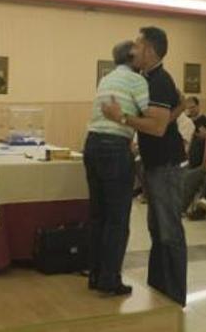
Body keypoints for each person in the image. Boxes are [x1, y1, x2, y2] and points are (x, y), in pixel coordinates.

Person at [101, 26, 188, 306]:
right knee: (157, 229)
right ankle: (159, 290)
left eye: (137, 46)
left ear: (150, 50)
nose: (132, 50)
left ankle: (174, 297)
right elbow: (181, 102)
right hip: (155, 164)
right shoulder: (146, 78)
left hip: (167, 166)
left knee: (169, 231)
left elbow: (157, 127)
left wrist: (121, 118)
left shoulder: (160, 80)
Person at [82, 41, 148, 296]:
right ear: (132, 56)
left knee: (98, 215)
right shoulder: (137, 81)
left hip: (93, 144)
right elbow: (148, 115)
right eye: (140, 51)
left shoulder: (107, 78)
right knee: (118, 219)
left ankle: (96, 274)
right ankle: (110, 279)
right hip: (115, 146)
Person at [183, 96, 206, 167]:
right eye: (188, 108)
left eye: (193, 107)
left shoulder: (205, 120)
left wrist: (194, 133)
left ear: (198, 106)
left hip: (197, 148)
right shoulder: (186, 119)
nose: (191, 110)